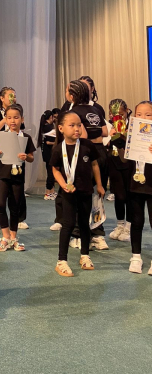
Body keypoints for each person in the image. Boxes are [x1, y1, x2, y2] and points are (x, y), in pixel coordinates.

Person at [50, 111, 105, 277]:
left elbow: (94, 165)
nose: (77, 128)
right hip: (68, 193)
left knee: (84, 224)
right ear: (61, 128)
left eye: (79, 125)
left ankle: (85, 255)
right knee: (67, 224)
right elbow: (55, 170)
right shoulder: (58, 149)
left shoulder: (87, 145)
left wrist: (100, 185)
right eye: (72, 125)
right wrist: (63, 185)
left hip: (86, 191)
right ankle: (61, 261)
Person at [64, 80, 109, 250]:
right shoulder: (96, 110)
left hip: (84, 155)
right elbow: (104, 131)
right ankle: (98, 234)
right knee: (98, 194)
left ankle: (78, 235)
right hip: (101, 153)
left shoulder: (73, 112)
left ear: (72, 96)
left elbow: (81, 136)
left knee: (80, 194)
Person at [0, 104, 35, 252]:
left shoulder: (26, 138)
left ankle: (13, 237)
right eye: (9, 117)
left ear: (22, 119)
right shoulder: (1, 136)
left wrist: (26, 157)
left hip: (18, 177)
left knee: (15, 206)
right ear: (5, 119)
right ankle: (5, 237)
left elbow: (31, 157)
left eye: (16, 117)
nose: (13, 121)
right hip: (2, 175)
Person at [0, 87, 26, 230]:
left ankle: (20, 218)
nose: (12, 98)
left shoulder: (17, 112)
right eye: (10, 96)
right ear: (2, 98)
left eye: (14, 96)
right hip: (0, 152)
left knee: (18, 186)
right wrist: (6, 119)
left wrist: (14, 116)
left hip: (16, 153)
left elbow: (22, 131)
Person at [125, 101, 152, 275]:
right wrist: (116, 137)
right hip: (135, 185)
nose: (143, 118)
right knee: (136, 221)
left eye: (148, 115)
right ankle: (136, 256)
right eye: (139, 114)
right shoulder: (130, 133)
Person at [107, 98, 132, 242]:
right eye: (113, 114)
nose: (116, 117)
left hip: (129, 165)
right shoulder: (108, 126)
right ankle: (119, 225)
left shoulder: (132, 125)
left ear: (127, 111)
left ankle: (128, 227)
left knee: (129, 196)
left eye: (120, 114)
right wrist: (109, 137)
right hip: (114, 163)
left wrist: (126, 135)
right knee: (118, 195)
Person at [38, 110, 56, 199]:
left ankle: (51, 191)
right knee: (51, 172)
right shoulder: (48, 127)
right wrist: (58, 143)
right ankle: (48, 192)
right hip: (49, 153)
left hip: (46, 152)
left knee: (51, 172)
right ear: (50, 117)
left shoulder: (44, 126)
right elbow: (48, 142)